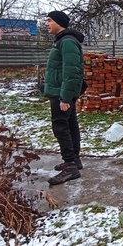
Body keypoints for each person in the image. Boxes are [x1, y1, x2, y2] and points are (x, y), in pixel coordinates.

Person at [44, 10, 85, 185]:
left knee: (61, 127)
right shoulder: (62, 40)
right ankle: (74, 160)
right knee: (70, 124)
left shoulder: (67, 41)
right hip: (61, 91)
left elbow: (72, 72)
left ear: (59, 22)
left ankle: (70, 166)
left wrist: (65, 98)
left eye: (49, 20)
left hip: (61, 92)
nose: (46, 23)